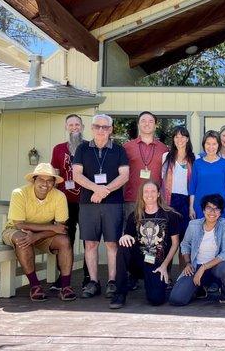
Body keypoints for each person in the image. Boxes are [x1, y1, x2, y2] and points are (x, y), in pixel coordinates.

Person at [73, 114, 129, 299]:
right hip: (89, 204)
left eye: (105, 127)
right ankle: (93, 282)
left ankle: (112, 282)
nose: (101, 130)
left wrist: (104, 191)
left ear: (111, 129)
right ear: (92, 128)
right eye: (97, 126)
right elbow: (77, 175)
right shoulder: (82, 149)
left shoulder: (119, 150)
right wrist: (96, 189)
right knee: (90, 243)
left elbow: (124, 175)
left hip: (113, 203)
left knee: (112, 243)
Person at [2, 163, 76, 301]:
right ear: (34, 180)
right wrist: (50, 228)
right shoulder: (19, 193)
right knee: (22, 239)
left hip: (44, 234)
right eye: (41, 179)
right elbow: (19, 224)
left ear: (54, 183)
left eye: (49, 180)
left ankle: (65, 286)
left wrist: (36, 236)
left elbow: (60, 228)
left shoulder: (59, 196)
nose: (45, 184)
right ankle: (35, 286)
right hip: (16, 230)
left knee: (64, 240)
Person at [109, 181, 180, 309]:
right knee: (123, 245)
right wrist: (124, 236)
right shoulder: (135, 215)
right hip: (138, 260)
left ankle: (151, 281)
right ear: (141, 195)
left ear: (158, 194)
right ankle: (120, 293)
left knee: (156, 299)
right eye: (146, 191)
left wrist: (164, 266)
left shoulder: (170, 215)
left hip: (157, 263)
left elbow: (175, 244)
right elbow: (128, 237)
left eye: (153, 191)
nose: (149, 194)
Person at [169, 194, 225, 306]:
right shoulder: (193, 225)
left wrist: (204, 267)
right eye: (209, 208)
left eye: (216, 209)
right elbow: (185, 244)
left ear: (220, 212)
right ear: (203, 210)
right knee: (177, 299)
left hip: (217, 268)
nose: (212, 212)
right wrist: (188, 263)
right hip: (196, 266)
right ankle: (199, 288)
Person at [50, 114, 89, 289]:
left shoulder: (91, 147)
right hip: (65, 203)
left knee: (89, 240)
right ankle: (63, 277)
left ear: (82, 127)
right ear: (66, 127)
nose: (74, 127)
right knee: (66, 239)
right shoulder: (58, 149)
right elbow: (55, 176)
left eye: (77, 124)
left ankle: (89, 277)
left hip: (87, 201)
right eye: (71, 125)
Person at [161, 125, 195, 270]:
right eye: (176, 136)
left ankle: (183, 274)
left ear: (187, 139)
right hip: (169, 201)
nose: (179, 139)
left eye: (182, 136)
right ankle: (165, 276)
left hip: (187, 202)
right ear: (173, 139)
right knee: (167, 239)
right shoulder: (166, 157)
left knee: (184, 240)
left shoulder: (195, 158)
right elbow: (161, 179)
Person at [123, 111, 168, 223]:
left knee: (154, 235)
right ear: (138, 124)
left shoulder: (164, 149)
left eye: (150, 121)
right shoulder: (127, 147)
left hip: (155, 200)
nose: (147, 124)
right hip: (132, 199)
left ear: (155, 125)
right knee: (131, 236)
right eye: (143, 121)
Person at [189, 130, 225, 221]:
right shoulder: (197, 164)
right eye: (208, 143)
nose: (211, 147)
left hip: (220, 206)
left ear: (218, 145)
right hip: (200, 205)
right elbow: (193, 188)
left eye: (214, 144)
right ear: (204, 145)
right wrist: (191, 207)